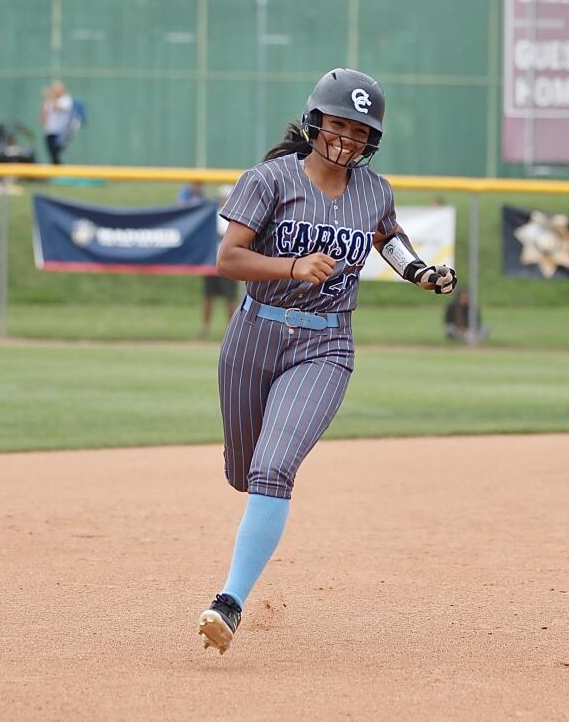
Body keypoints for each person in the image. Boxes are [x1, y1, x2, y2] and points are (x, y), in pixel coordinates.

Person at [197, 68, 457, 655]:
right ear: (316, 122)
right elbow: (229, 259)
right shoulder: (269, 180)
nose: (347, 138)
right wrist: (292, 266)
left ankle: (229, 603)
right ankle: (254, 503)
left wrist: (419, 271)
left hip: (325, 344)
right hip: (254, 335)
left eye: (360, 131)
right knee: (245, 469)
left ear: (372, 140)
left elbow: (386, 236)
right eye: (338, 124)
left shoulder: (373, 191)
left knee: (274, 467)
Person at [178, 182, 239, 336]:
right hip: (211, 261)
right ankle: (205, 328)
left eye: (225, 197)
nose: (223, 200)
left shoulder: (235, 216)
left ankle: (231, 330)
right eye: (222, 197)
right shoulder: (212, 214)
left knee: (230, 298)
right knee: (208, 296)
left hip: (229, 262)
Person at [41, 81, 73, 165]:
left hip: (61, 132)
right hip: (49, 131)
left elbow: (58, 108)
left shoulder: (66, 99)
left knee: (56, 152)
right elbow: (44, 117)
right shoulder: (49, 100)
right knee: (53, 156)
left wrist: (51, 96)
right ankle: (58, 171)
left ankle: (60, 170)